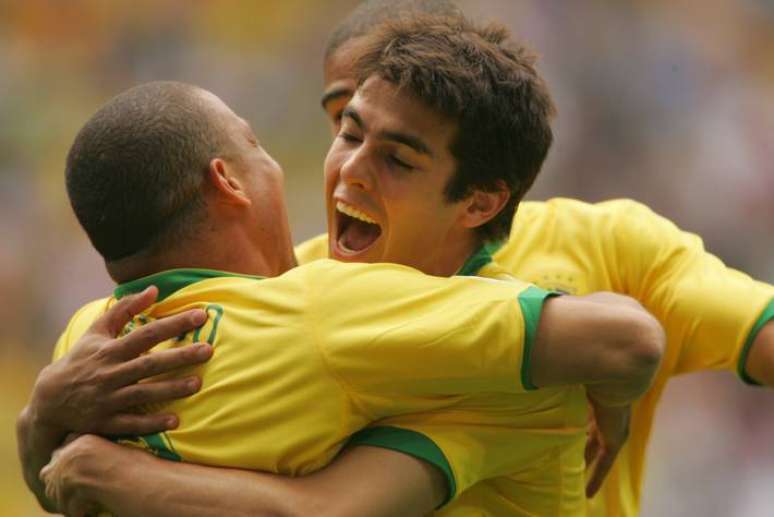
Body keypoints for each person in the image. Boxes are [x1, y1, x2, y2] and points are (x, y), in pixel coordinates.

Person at [28, 2, 774, 515]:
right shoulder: (297, 290)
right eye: (344, 128)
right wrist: (44, 421)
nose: (348, 170)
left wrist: (96, 461)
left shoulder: (591, 264)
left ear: (481, 198)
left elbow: (637, 340)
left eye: (399, 153)